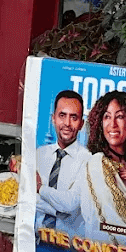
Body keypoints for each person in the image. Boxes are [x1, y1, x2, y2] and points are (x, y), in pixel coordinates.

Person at [42, 89, 126, 249]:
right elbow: (113, 227)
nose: (112, 124)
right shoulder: (96, 163)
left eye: (120, 117)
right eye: (107, 117)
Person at [33, 90, 89, 230]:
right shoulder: (39, 154)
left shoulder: (89, 160)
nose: (67, 123)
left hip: (69, 241)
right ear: (53, 119)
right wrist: (58, 211)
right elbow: (28, 197)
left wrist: (40, 188)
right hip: (36, 236)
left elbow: (70, 205)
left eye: (74, 117)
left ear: (81, 124)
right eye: (62, 116)